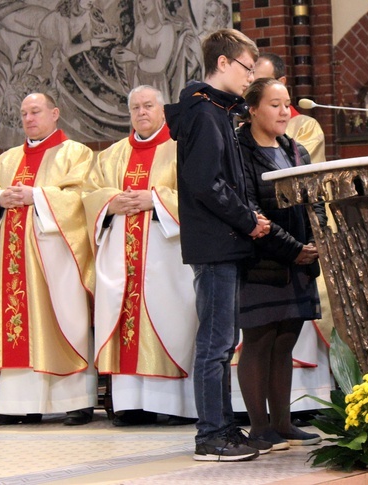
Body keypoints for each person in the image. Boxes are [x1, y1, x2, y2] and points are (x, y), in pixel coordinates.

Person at [165, 28, 272, 462]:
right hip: (215, 243)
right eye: (247, 67)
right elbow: (205, 182)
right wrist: (248, 220)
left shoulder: (216, 110)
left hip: (222, 240)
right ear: (223, 63)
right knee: (215, 342)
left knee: (223, 340)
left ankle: (225, 426)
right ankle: (211, 435)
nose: (251, 77)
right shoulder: (205, 112)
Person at [0, 93, 97, 426]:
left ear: (55, 113)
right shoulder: (7, 160)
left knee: (63, 320)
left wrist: (38, 196)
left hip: (55, 259)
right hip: (13, 261)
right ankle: (20, 404)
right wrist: (1, 197)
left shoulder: (76, 154)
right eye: (24, 112)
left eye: (36, 111)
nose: (29, 118)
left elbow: (82, 196)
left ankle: (76, 401)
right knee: (18, 324)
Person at [82, 85, 198, 426]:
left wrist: (157, 201)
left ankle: (175, 405)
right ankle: (130, 404)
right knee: (125, 323)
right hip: (122, 261)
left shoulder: (180, 149)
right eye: (135, 107)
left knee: (170, 321)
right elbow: (89, 194)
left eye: (148, 106)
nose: (141, 113)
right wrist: (109, 203)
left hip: (167, 258)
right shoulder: (111, 155)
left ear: (163, 110)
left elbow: (196, 193)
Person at [235, 78, 325, 450]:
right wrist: (292, 249)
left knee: (285, 340)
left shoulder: (297, 150)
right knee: (259, 340)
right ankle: (259, 428)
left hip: (299, 260)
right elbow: (248, 208)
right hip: (261, 260)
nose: (284, 112)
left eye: (287, 104)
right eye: (275, 105)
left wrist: (317, 239)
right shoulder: (239, 152)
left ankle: (283, 423)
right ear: (253, 109)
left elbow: (314, 199)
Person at [253, 52, 325, 164]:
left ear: (281, 82)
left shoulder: (305, 126)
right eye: (250, 82)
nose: (253, 90)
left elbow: (298, 171)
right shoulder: (237, 124)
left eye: (260, 83)